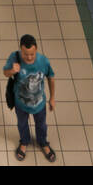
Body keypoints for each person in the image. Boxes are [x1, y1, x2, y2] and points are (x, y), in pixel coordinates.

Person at [4, 34, 56, 162]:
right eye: (25, 54)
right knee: (22, 124)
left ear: (36, 49)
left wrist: (52, 98)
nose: (29, 57)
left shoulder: (43, 61)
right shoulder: (14, 57)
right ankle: (24, 142)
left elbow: (51, 77)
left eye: (32, 54)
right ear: (21, 49)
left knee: (42, 125)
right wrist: (12, 70)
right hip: (20, 103)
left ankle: (43, 142)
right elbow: (5, 73)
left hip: (39, 104)